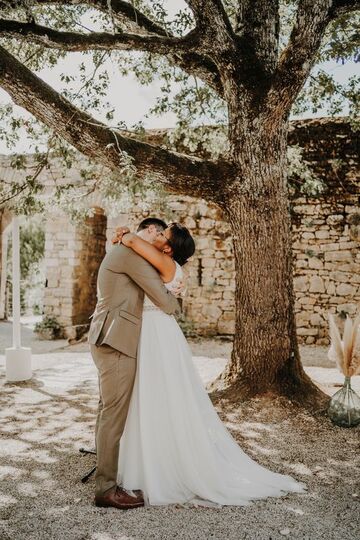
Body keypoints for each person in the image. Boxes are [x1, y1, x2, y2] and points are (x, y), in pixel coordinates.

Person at [113, 221, 306, 506]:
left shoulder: (166, 262)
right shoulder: (163, 262)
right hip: (152, 331)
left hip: (156, 334)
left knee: (156, 392)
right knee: (150, 395)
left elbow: (132, 242)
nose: (157, 233)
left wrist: (123, 233)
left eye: (162, 234)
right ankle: (152, 457)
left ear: (168, 247)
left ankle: (162, 466)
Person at [88, 218, 181, 510]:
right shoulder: (129, 255)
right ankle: (105, 489)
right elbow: (167, 304)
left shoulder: (122, 249)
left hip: (107, 336)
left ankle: (104, 472)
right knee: (113, 415)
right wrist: (174, 299)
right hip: (116, 339)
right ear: (151, 232)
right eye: (157, 231)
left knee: (107, 410)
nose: (157, 237)